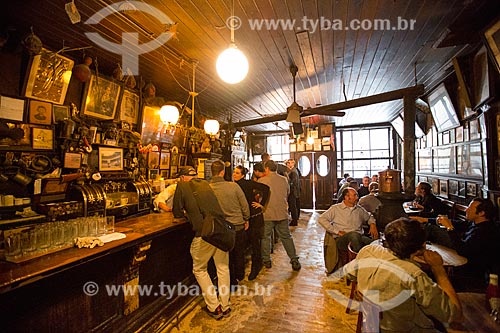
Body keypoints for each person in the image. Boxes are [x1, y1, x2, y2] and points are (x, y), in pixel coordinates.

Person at [343, 217, 462, 332]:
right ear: (421, 247)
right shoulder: (413, 275)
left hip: (372, 325)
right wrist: (439, 270)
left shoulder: (368, 251)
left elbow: (349, 274)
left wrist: (364, 292)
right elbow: (453, 315)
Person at [172, 167, 231, 320]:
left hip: (204, 234)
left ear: (183, 177)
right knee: (223, 268)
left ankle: (214, 306)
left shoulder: (182, 186)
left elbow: (177, 212)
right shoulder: (205, 184)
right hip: (220, 231)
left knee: (199, 269)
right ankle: (226, 305)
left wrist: (187, 213)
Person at [411, 197, 500, 279]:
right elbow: (457, 223)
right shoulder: (475, 223)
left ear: (481, 213)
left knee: (431, 229)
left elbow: (463, 250)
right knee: (430, 227)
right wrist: (424, 219)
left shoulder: (485, 231)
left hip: (471, 267)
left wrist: (450, 228)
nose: (466, 210)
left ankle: (413, 253)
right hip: (461, 252)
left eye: (470, 208)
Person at [209, 160, 250, 287]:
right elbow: (244, 206)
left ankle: (229, 279)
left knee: (225, 256)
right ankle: (239, 274)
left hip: (221, 228)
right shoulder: (234, 186)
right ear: (222, 172)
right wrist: (246, 218)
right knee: (239, 252)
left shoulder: (208, 189)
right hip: (237, 225)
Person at [258, 160, 301, 271]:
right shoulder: (284, 179)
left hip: (268, 212)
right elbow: (287, 193)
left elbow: (259, 196)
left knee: (266, 237)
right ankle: (294, 259)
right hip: (282, 212)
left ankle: (266, 260)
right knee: (286, 237)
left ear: (266, 168)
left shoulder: (262, 180)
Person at [233, 165, 270, 280]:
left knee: (254, 242)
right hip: (244, 217)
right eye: (234, 172)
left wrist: (262, 204)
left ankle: (256, 267)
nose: (234, 174)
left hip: (254, 216)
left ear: (243, 175)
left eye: (237, 173)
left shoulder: (247, 183)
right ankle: (243, 270)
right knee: (246, 243)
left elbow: (266, 188)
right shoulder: (234, 185)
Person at [318, 187, 378, 252]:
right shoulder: (336, 208)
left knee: (375, 244)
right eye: (354, 195)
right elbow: (321, 219)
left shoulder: (359, 209)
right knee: (354, 235)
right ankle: (357, 259)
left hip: (359, 236)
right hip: (341, 238)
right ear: (347, 197)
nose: (357, 198)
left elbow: (369, 216)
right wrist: (337, 231)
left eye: (357, 195)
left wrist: (372, 224)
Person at [285, 158, 300, 226]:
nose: (288, 164)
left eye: (289, 163)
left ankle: (294, 220)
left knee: (293, 206)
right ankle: (295, 219)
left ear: (293, 163)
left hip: (293, 191)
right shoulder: (293, 171)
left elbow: (293, 183)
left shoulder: (293, 172)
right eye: (287, 163)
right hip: (294, 191)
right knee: (294, 205)